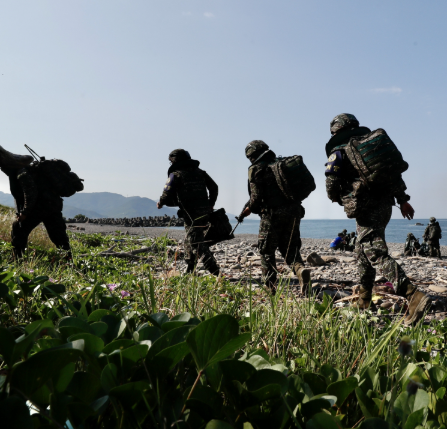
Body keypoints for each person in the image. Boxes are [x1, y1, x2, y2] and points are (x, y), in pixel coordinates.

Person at [324, 113, 429, 323]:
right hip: (385, 205)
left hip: (365, 205)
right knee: (361, 249)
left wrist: (335, 197)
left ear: (336, 131)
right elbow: (393, 176)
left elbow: (331, 182)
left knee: (373, 249)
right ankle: (364, 299)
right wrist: (403, 200)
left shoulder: (339, 151)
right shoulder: (372, 148)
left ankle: (412, 295)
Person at [238, 140, 311, 295]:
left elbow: (255, 198)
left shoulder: (256, 169)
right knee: (290, 248)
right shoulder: (281, 164)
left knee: (266, 251)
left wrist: (249, 209)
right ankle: (300, 271)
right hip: (294, 211)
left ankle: (269, 286)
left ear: (251, 156)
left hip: (272, 215)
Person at [157, 149, 220, 276]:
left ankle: (216, 272)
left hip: (190, 213)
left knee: (196, 243)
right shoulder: (200, 173)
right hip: (205, 211)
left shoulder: (175, 174)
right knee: (189, 239)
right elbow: (214, 187)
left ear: (174, 161)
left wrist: (161, 203)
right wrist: (211, 204)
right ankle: (190, 268)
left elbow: (166, 193)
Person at [4, 165, 71, 259]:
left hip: (39, 207)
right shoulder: (34, 172)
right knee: (59, 236)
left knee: (19, 228)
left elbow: (30, 193)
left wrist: (24, 213)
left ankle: (18, 258)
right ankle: (68, 259)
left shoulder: (22, 173)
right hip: (54, 206)